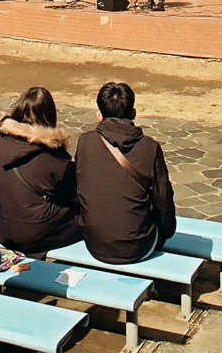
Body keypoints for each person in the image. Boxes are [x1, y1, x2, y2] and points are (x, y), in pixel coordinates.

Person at [75, 81, 176, 264]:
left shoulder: (85, 142)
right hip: (137, 245)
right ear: (133, 113)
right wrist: (166, 232)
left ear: (99, 115)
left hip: (94, 242)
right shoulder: (149, 148)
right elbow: (163, 199)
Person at [0, 86, 80, 257]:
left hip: (1, 227)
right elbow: (73, 190)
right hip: (33, 233)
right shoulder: (54, 157)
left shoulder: (0, 142)